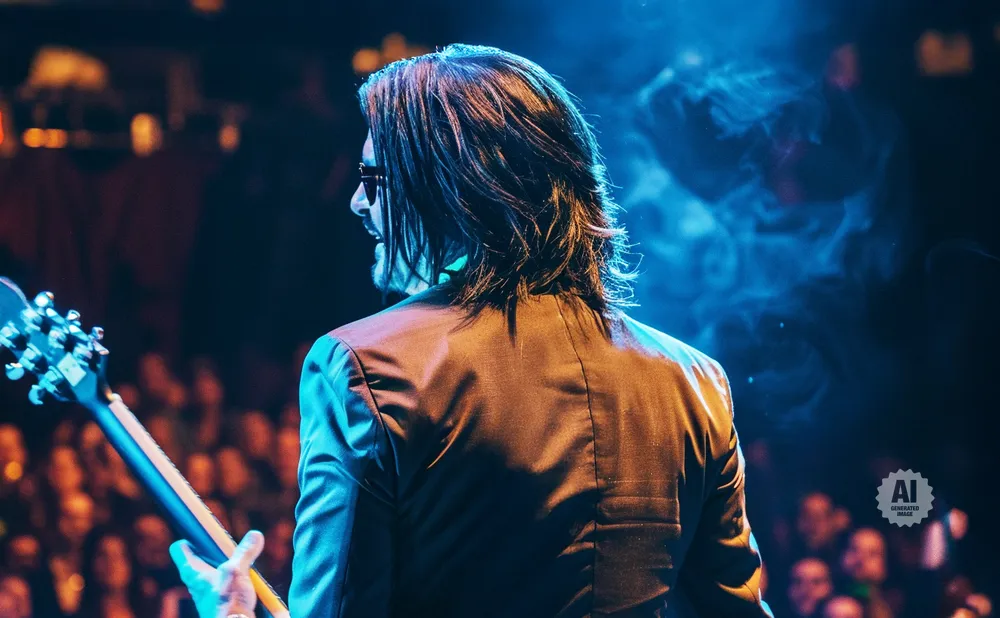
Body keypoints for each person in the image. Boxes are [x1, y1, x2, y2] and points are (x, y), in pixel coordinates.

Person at [170, 44, 772, 617]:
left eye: (375, 180)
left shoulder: (364, 367)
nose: (357, 202)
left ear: (452, 189)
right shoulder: (694, 382)